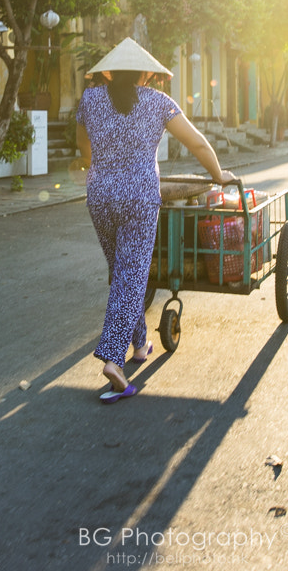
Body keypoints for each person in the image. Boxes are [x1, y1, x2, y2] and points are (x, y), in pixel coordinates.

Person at [75, 38, 237, 404]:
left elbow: (83, 147)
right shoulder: (158, 102)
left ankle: (138, 344)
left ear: (109, 71)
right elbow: (197, 144)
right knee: (131, 275)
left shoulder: (90, 99)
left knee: (122, 271)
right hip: (140, 198)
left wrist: (101, 168)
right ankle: (114, 360)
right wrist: (218, 173)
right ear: (147, 73)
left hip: (99, 194)